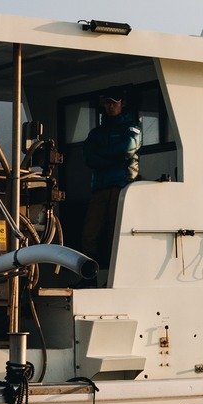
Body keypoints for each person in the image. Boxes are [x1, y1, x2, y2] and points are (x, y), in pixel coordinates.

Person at [79, 93, 141, 277]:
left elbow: (127, 148)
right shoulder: (96, 132)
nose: (110, 106)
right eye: (107, 103)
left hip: (122, 186)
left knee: (116, 231)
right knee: (90, 232)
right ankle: (89, 276)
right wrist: (112, 159)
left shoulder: (132, 128)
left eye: (114, 102)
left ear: (122, 104)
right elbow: (88, 157)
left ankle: (118, 275)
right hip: (100, 188)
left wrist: (102, 156)